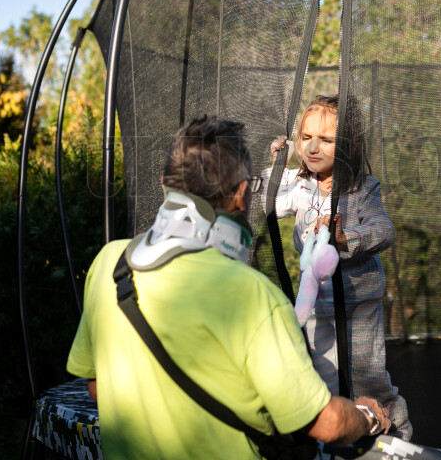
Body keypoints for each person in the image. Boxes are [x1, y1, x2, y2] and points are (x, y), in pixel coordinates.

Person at [67, 116, 390, 459]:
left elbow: (98, 387)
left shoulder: (110, 263)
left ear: (165, 184)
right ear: (240, 195)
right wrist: (366, 415)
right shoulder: (251, 295)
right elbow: (326, 425)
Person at [269, 94, 412, 440]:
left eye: (326, 140)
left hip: (357, 302)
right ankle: (342, 435)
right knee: (323, 374)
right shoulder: (298, 184)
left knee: (367, 376)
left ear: (348, 145)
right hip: (316, 303)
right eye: (306, 138)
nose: (313, 147)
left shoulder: (363, 188)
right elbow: (265, 202)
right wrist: (277, 166)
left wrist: (346, 238)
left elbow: (383, 230)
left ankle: (398, 433)